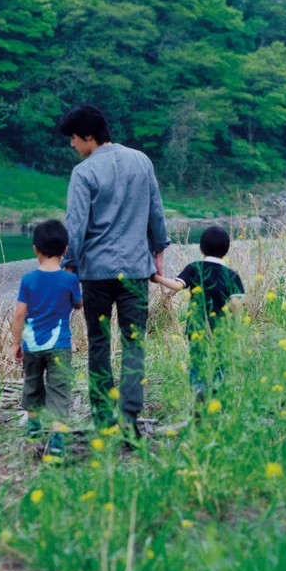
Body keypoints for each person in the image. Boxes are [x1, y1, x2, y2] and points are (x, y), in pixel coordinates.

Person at [59, 104, 170, 433]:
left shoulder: (84, 173)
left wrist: (68, 266)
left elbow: (75, 226)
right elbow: (156, 211)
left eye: (74, 138)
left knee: (98, 342)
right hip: (136, 269)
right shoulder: (141, 161)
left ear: (90, 136)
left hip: (96, 273)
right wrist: (158, 251)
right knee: (134, 342)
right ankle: (130, 417)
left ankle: (103, 417)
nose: (72, 145)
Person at [12, 219, 82, 456]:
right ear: (65, 250)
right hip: (60, 346)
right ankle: (57, 444)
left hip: (32, 345)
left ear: (35, 249)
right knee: (59, 392)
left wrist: (15, 343)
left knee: (32, 385)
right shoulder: (69, 280)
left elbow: (19, 314)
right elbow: (79, 304)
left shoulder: (28, 279)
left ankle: (32, 435)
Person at [151, 224, 245, 401]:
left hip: (196, 325)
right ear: (226, 250)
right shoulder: (231, 275)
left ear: (201, 249)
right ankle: (218, 391)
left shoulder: (194, 268)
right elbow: (234, 304)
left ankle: (198, 389)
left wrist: (156, 278)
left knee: (197, 360)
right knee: (221, 361)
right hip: (221, 327)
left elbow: (177, 286)